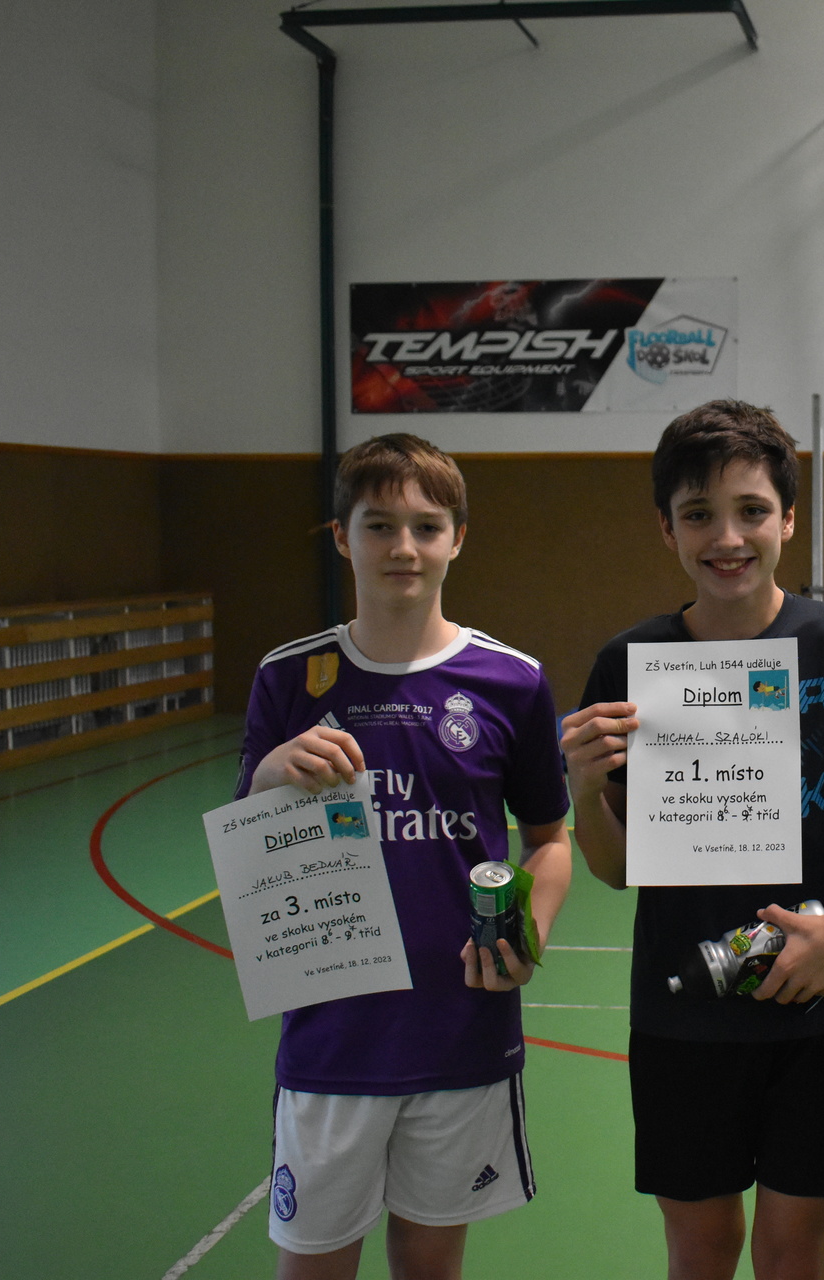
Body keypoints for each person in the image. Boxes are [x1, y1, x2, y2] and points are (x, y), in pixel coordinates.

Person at [559, 400, 824, 1280]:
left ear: (788, 518)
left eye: (752, 510)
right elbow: (617, 869)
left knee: (795, 1252)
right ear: (666, 528)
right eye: (698, 514)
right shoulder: (628, 664)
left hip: (820, 1000)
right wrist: (584, 790)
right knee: (703, 1247)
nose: (727, 537)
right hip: (685, 1010)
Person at [236, 433, 572, 1280]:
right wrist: (272, 774)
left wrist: (525, 933)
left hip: (461, 1030)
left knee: (431, 1265)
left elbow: (549, 839)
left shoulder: (512, 681)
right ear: (341, 536)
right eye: (379, 525)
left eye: (427, 526)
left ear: (458, 538)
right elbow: (249, 844)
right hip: (330, 1035)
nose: (404, 547)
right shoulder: (289, 677)